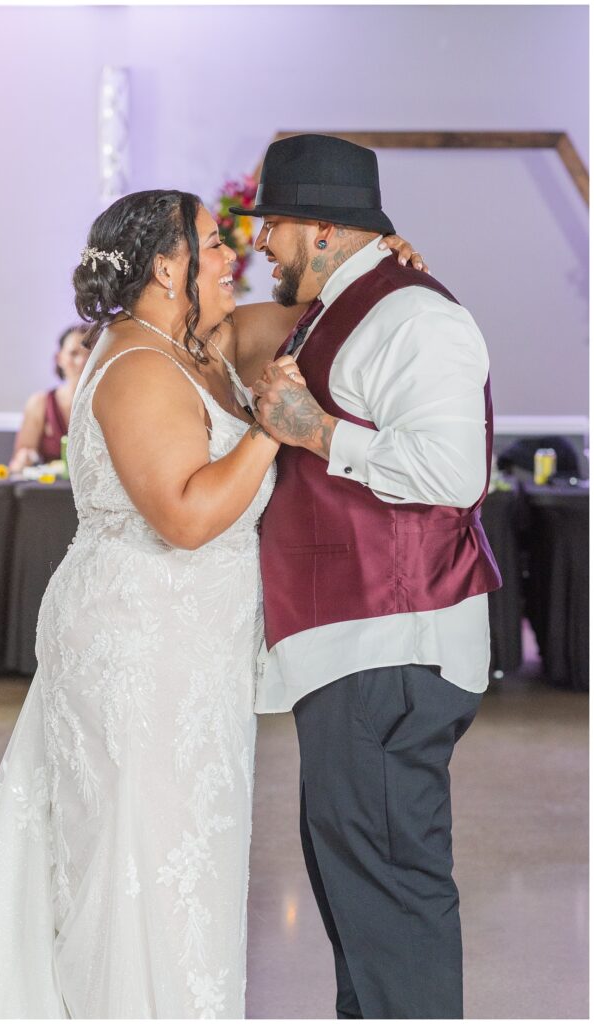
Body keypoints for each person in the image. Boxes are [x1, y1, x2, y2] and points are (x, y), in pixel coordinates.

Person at [0, 185, 420, 1019]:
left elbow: (319, 318)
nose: (233, 258)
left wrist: (383, 268)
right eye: (215, 245)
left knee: (188, 857)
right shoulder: (138, 366)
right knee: (136, 861)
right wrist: (270, 431)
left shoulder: (204, 345)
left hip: (195, 654)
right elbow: (184, 517)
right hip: (137, 647)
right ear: (167, 264)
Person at [230, 133, 502, 1020]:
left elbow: (454, 474)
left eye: (272, 224)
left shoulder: (417, 317)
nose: (261, 243)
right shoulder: (336, 305)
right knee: (360, 896)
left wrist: (315, 432)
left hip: (394, 644)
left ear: (320, 229)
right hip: (354, 647)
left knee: (390, 895)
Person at [10, 325, 89, 471]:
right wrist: (25, 458)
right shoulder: (40, 403)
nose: (82, 362)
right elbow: (18, 463)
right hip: (50, 490)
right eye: (73, 354)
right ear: (59, 358)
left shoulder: (110, 404)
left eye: (90, 354)